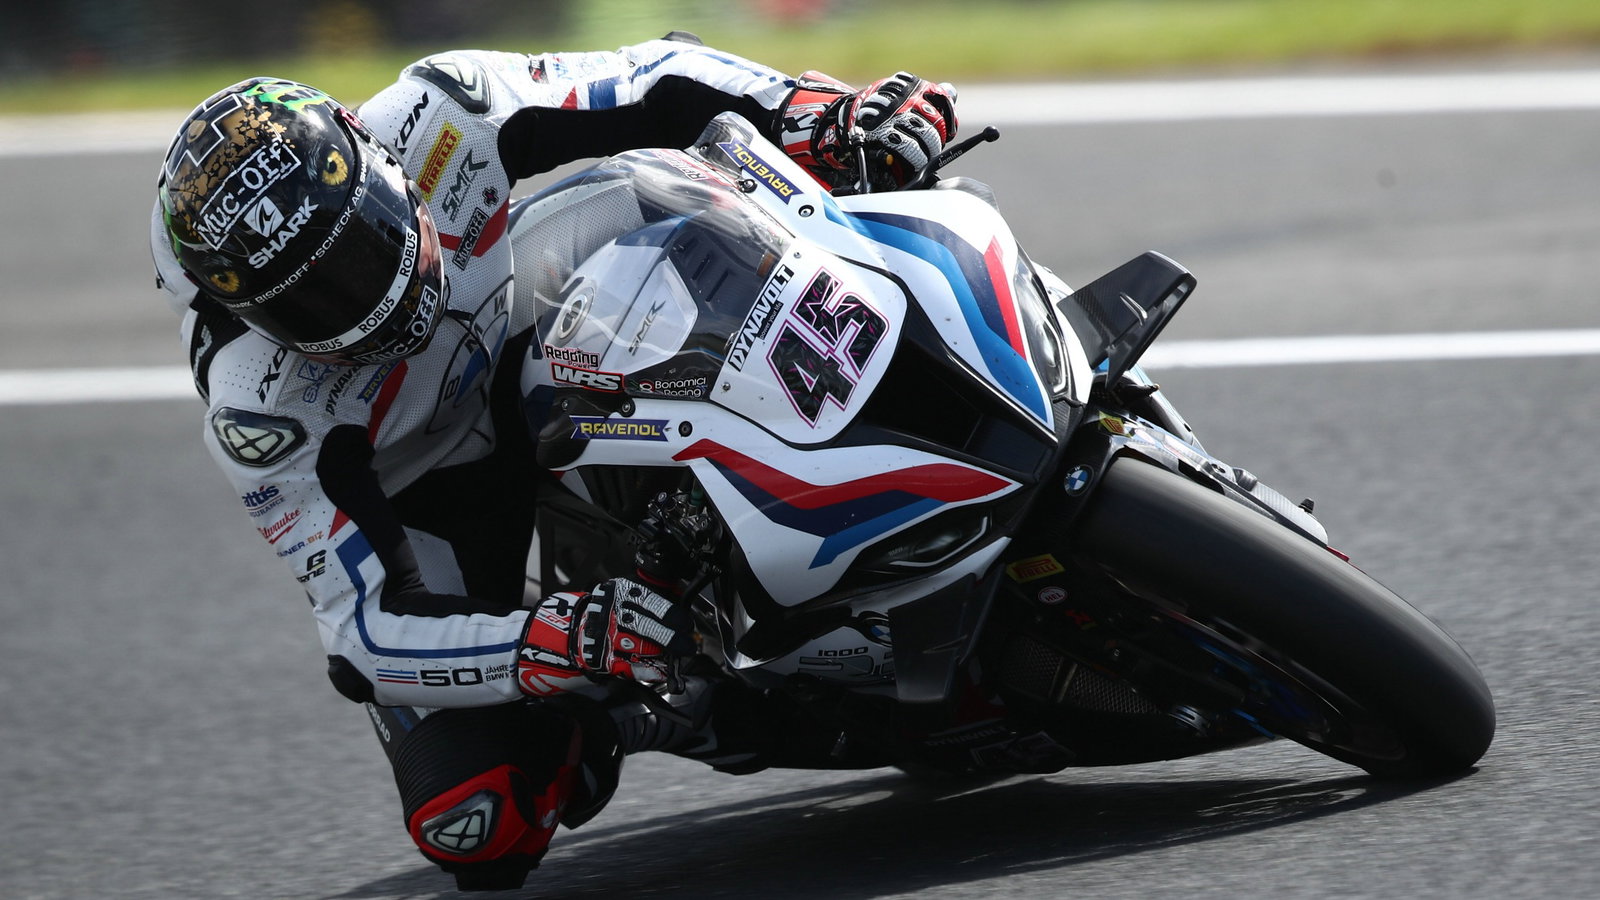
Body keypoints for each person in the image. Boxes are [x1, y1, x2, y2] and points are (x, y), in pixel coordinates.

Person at [150, 33, 956, 891]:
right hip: (437, 491)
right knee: (472, 817)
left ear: (378, 159)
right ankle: (653, 712)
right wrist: (549, 641)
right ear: (250, 316)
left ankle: (951, 317)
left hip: (527, 308)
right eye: (319, 297)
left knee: (806, 167)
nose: (366, 298)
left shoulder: (441, 111)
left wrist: (814, 112)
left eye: (368, 241)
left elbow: (650, 76)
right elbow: (366, 631)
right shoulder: (258, 405)